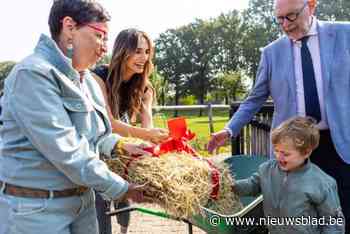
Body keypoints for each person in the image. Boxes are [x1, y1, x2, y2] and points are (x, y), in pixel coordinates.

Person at [0, 1, 151, 234]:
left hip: (82, 204)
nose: (104, 48)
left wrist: (120, 146)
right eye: (99, 36)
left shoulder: (86, 79)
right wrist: (121, 188)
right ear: (69, 27)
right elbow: (66, 150)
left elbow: (93, 136)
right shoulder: (33, 74)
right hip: (37, 212)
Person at [208, 0, 350, 231]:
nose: (285, 24)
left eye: (291, 16)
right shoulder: (271, 53)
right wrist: (229, 129)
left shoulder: (345, 34)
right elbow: (255, 98)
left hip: (341, 144)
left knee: (339, 213)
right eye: (279, 18)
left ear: (311, 5)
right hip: (294, 147)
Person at [92, 28, 168, 234]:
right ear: (122, 51)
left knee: (125, 187)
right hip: (99, 142)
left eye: (147, 52)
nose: (143, 57)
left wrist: (154, 142)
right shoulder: (98, 77)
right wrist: (146, 135)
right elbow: (109, 123)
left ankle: (124, 230)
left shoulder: (145, 87)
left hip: (126, 141)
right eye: (137, 51)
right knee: (100, 197)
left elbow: (147, 125)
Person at [233, 117, 345, 233]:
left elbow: (333, 222)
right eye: (276, 150)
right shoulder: (267, 170)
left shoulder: (322, 183)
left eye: (285, 154)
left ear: (306, 152)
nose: (278, 157)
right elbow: (252, 185)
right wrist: (229, 186)